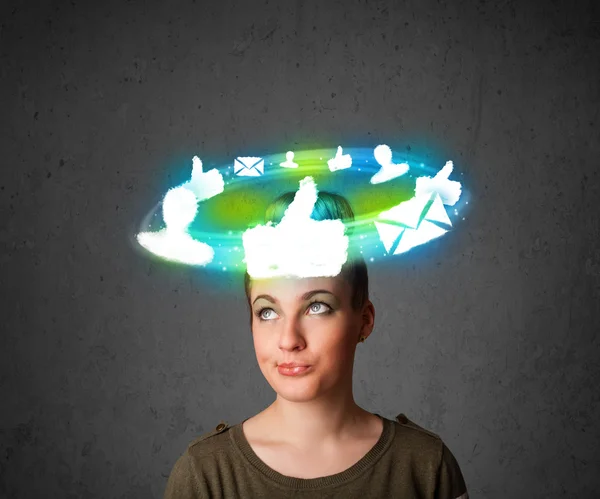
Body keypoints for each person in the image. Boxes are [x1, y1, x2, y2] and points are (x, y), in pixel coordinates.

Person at [163, 190, 469, 498]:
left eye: (317, 306)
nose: (289, 339)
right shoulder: (204, 476)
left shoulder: (427, 467)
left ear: (364, 320)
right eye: (268, 312)